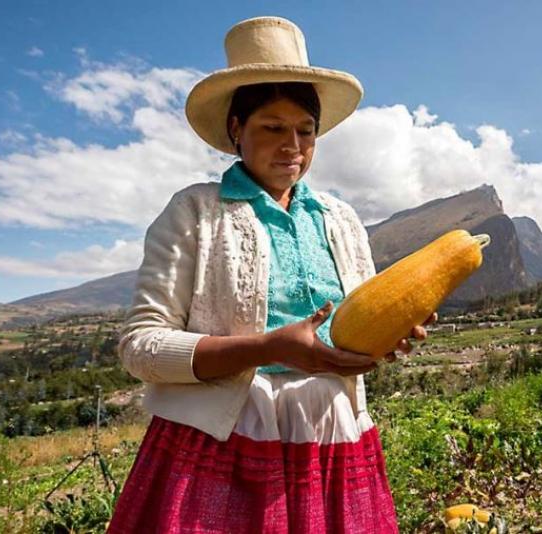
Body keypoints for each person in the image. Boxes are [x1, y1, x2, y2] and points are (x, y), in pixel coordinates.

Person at [107, 16, 434, 533]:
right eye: (273, 128)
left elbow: (360, 321)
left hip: (332, 437)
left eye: (306, 130)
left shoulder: (342, 220)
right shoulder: (194, 212)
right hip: (220, 443)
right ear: (237, 129)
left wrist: (387, 335)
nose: (294, 147)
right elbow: (141, 347)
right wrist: (268, 348)